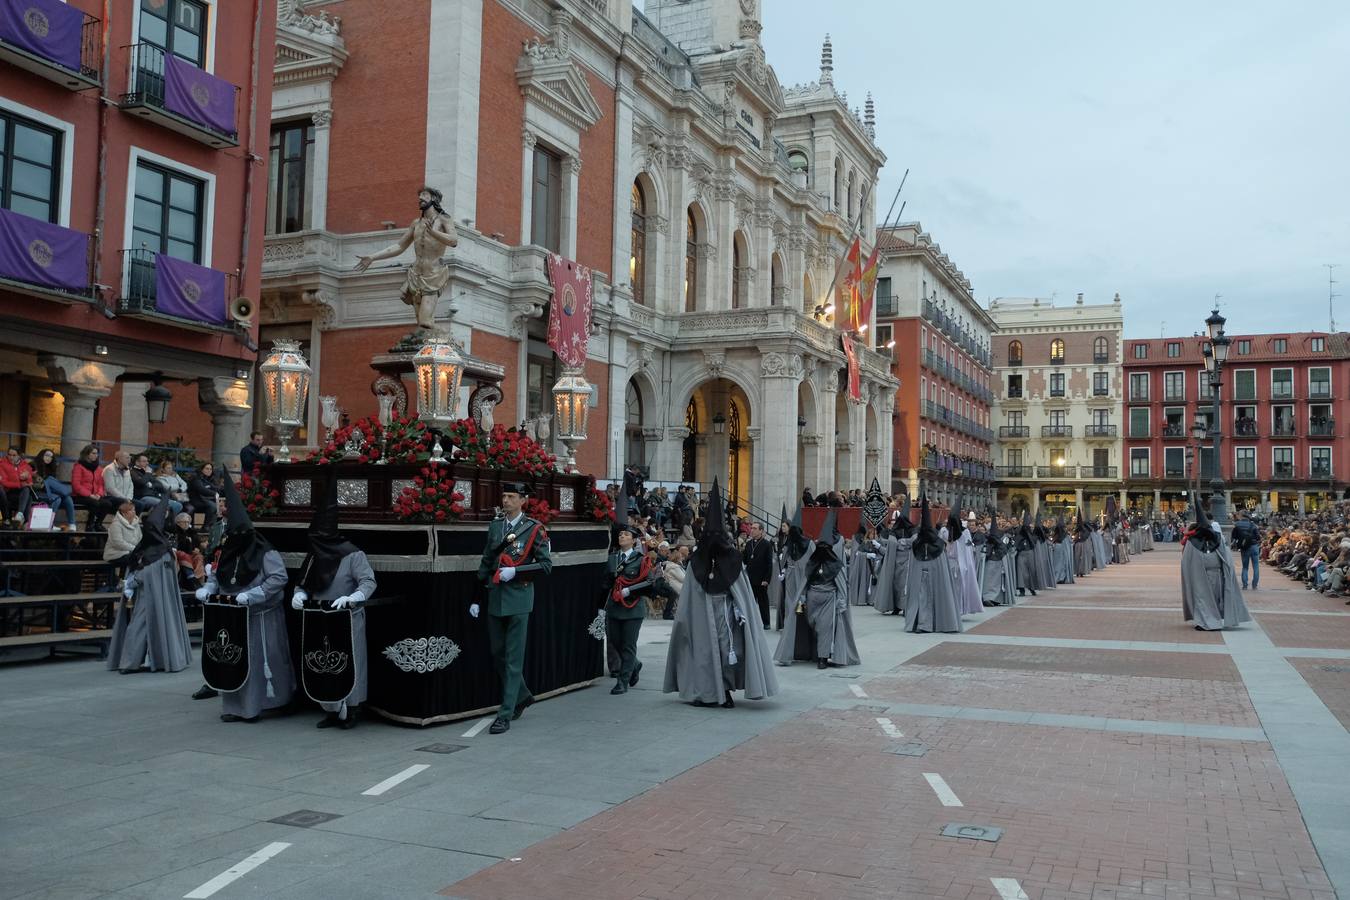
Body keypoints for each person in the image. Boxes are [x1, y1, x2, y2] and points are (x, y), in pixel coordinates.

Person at [664, 479, 779, 708]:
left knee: (728, 652)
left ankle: (725, 691)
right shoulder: (698, 561)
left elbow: (741, 591)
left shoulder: (733, 559)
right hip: (702, 614)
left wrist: (740, 612)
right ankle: (706, 692)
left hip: (727, 613)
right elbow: (690, 592)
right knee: (704, 654)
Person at [197, 470, 295, 722]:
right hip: (232, 617)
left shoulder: (265, 552)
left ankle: (262, 705)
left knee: (259, 660)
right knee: (233, 660)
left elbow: (279, 577)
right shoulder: (227, 549)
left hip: (260, 616)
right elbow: (218, 573)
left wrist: (255, 594)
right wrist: (208, 588)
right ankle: (234, 706)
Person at [291, 473, 377, 729]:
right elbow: (304, 581)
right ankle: (328, 708)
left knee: (351, 662)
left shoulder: (353, 554)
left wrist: (354, 597)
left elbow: (368, 581)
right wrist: (299, 593)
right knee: (324, 663)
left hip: (346, 616)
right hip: (320, 617)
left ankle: (352, 708)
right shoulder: (315, 555)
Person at [474, 482, 552, 734]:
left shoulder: (534, 529)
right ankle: (522, 696)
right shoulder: (496, 526)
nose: (505, 500)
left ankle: (505, 713)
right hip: (495, 596)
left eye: (511, 497)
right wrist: (477, 594)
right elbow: (487, 559)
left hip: (518, 598)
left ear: (522, 501)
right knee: (498, 653)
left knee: (513, 659)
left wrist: (515, 572)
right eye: (504, 496)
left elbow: (546, 566)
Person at [354, 185, 460, 330]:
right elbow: (399, 246)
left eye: (424, 195)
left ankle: (444, 341)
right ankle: (433, 345)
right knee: (421, 326)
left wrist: (434, 233)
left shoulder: (444, 220)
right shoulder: (416, 223)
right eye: (419, 196)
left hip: (433, 275)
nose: (420, 198)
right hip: (415, 275)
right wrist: (373, 257)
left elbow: (453, 241)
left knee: (425, 322)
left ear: (434, 198)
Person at [106, 498, 193, 674]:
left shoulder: (160, 551)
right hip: (151, 596)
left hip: (149, 597)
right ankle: (144, 660)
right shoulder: (156, 549)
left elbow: (148, 573)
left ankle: (131, 663)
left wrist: (132, 581)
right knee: (146, 627)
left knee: (137, 626)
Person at [798, 508, 861, 669]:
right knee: (814, 625)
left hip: (828, 597)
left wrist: (841, 600)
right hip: (813, 596)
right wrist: (803, 596)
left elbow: (840, 584)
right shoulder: (813, 562)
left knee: (825, 628)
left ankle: (823, 658)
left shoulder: (836, 565)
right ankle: (816, 652)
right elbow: (806, 580)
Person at [604, 525, 659, 695]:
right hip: (614, 607)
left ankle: (623, 681)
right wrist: (601, 607)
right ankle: (635, 664)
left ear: (634, 540)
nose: (622, 537)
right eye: (620, 534)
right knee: (615, 642)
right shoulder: (612, 558)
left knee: (628, 644)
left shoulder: (641, 560)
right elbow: (605, 584)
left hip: (632, 609)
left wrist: (629, 590)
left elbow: (650, 582)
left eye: (626, 535)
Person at [1181, 501, 1251, 631]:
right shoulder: (1194, 541)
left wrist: (1226, 570)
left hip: (1215, 573)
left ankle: (1213, 619)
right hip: (1200, 575)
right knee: (1202, 598)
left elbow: (1226, 557)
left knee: (1213, 598)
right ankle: (1203, 621)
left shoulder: (1216, 538)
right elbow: (1187, 561)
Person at [905, 497, 962, 633]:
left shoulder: (938, 546)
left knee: (936, 597)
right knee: (921, 599)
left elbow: (943, 568)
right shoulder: (916, 545)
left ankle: (938, 622)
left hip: (935, 578)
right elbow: (912, 564)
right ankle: (922, 624)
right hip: (920, 579)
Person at [944, 511, 983, 617]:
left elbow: (967, 550)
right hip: (949, 563)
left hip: (961, 565)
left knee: (959, 588)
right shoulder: (945, 531)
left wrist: (967, 565)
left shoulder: (965, 533)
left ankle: (959, 609)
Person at [72, 444, 116, 530]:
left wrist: (99, 494)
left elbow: (101, 484)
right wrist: (89, 495)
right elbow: (76, 485)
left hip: (95, 496)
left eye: (97, 453)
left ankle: (98, 524)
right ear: (87, 454)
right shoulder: (79, 466)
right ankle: (90, 525)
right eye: (93, 453)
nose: (96, 455)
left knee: (107, 503)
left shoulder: (98, 469)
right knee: (94, 503)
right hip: (80, 496)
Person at [32, 448, 76, 530]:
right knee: (57, 497)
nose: (49, 458)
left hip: (49, 493)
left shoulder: (51, 468)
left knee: (67, 498)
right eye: (47, 455)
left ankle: (72, 524)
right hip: (37, 493)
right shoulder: (32, 465)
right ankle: (49, 524)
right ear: (42, 455)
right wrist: (41, 484)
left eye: (51, 457)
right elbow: (30, 484)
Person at [741, 521, 773, 627]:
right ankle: (751, 622)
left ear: (761, 531)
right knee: (750, 602)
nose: (752, 530)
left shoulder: (767, 544)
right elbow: (744, 559)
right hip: (750, 577)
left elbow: (769, 564)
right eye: (752, 528)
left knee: (763, 602)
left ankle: (766, 622)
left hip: (761, 578)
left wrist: (766, 579)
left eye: (755, 528)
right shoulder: (749, 544)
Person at [980, 513, 1016, 607]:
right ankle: (987, 597)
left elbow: (1006, 547)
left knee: (999, 581)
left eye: (1001, 524)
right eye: (998, 523)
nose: (1000, 525)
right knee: (988, 580)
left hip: (1000, 559)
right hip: (990, 559)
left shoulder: (1005, 536)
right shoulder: (987, 535)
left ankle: (997, 599)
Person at [102, 501, 142, 573]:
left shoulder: (136, 524)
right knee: (134, 560)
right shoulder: (116, 524)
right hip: (115, 554)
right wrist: (134, 549)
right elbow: (118, 543)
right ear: (123, 513)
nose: (134, 512)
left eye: (134, 510)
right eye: (131, 510)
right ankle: (125, 580)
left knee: (142, 558)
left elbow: (140, 538)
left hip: (130, 552)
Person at [0, 445, 36, 524]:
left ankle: (20, 515)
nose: (11, 457)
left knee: (27, 491)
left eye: (14, 455)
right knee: (27, 494)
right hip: (7, 493)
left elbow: (30, 483)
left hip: (20, 494)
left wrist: (26, 478)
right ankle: (24, 521)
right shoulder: (2, 464)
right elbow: (4, 482)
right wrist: (20, 484)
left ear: (19, 456)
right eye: (9, 454)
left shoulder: (26, 466)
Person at [1230, 510, 1262, 590]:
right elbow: (1258, 537)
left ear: (1241, 516)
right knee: (1256, 566)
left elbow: (1234, 536)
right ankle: (1254, 585)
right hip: (1254, 546)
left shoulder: (1237, 525)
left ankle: (1245, 585)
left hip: (1244, 547)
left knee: (1245, 567)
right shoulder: (1253, 525)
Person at [188, 462, 222, 527]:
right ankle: (206, 527)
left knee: (218, 506)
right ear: (202, 469)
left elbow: (216, 488)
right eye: (207, 469)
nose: (209, 471)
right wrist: (214, 493)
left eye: (210, 469)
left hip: (203, 500)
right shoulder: (196, 478)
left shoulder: (207, 478)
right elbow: (201, 489)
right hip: (195, 500)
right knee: (212, 506)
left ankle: (213, 526)